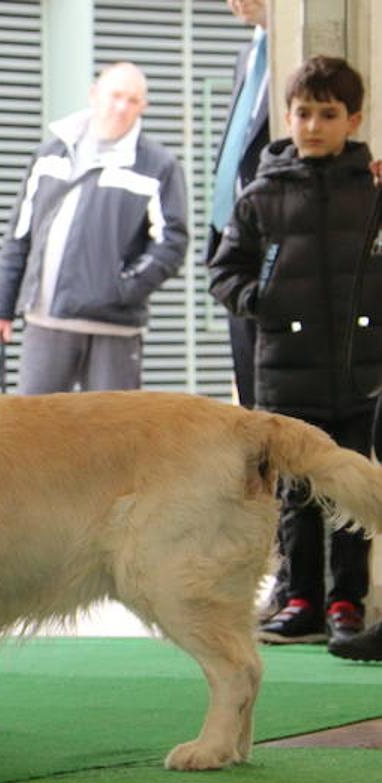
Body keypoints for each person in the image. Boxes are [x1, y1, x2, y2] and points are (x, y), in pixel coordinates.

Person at [209, 56, 380, 647]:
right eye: (303, 113)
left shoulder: (373, 194)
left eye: (328, 114)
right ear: (287, 116)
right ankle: (299, 595)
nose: (313, 125)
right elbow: (223, 272)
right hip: (285, 377)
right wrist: (265, 299)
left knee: (352, 487)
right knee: (294, 495)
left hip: (360, 376)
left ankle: (346, 603)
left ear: (353, 119)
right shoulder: (262, 195)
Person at [0, 62, 188, 395]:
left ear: (143, 107)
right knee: (33, 434)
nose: (122, 107)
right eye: (115, 95)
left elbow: (172, 243)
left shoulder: (159, 166)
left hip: (115, 329)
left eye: (133, 100)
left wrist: (123, 288)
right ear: (94, 94)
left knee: (113, 437)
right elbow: (19, 236)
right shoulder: (49, 155)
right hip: (45, 323)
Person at [210, 0, 270, 411]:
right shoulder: (248, 55)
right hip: (235, 245)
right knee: (248, 394)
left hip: (276, 243)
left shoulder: (292, 48)